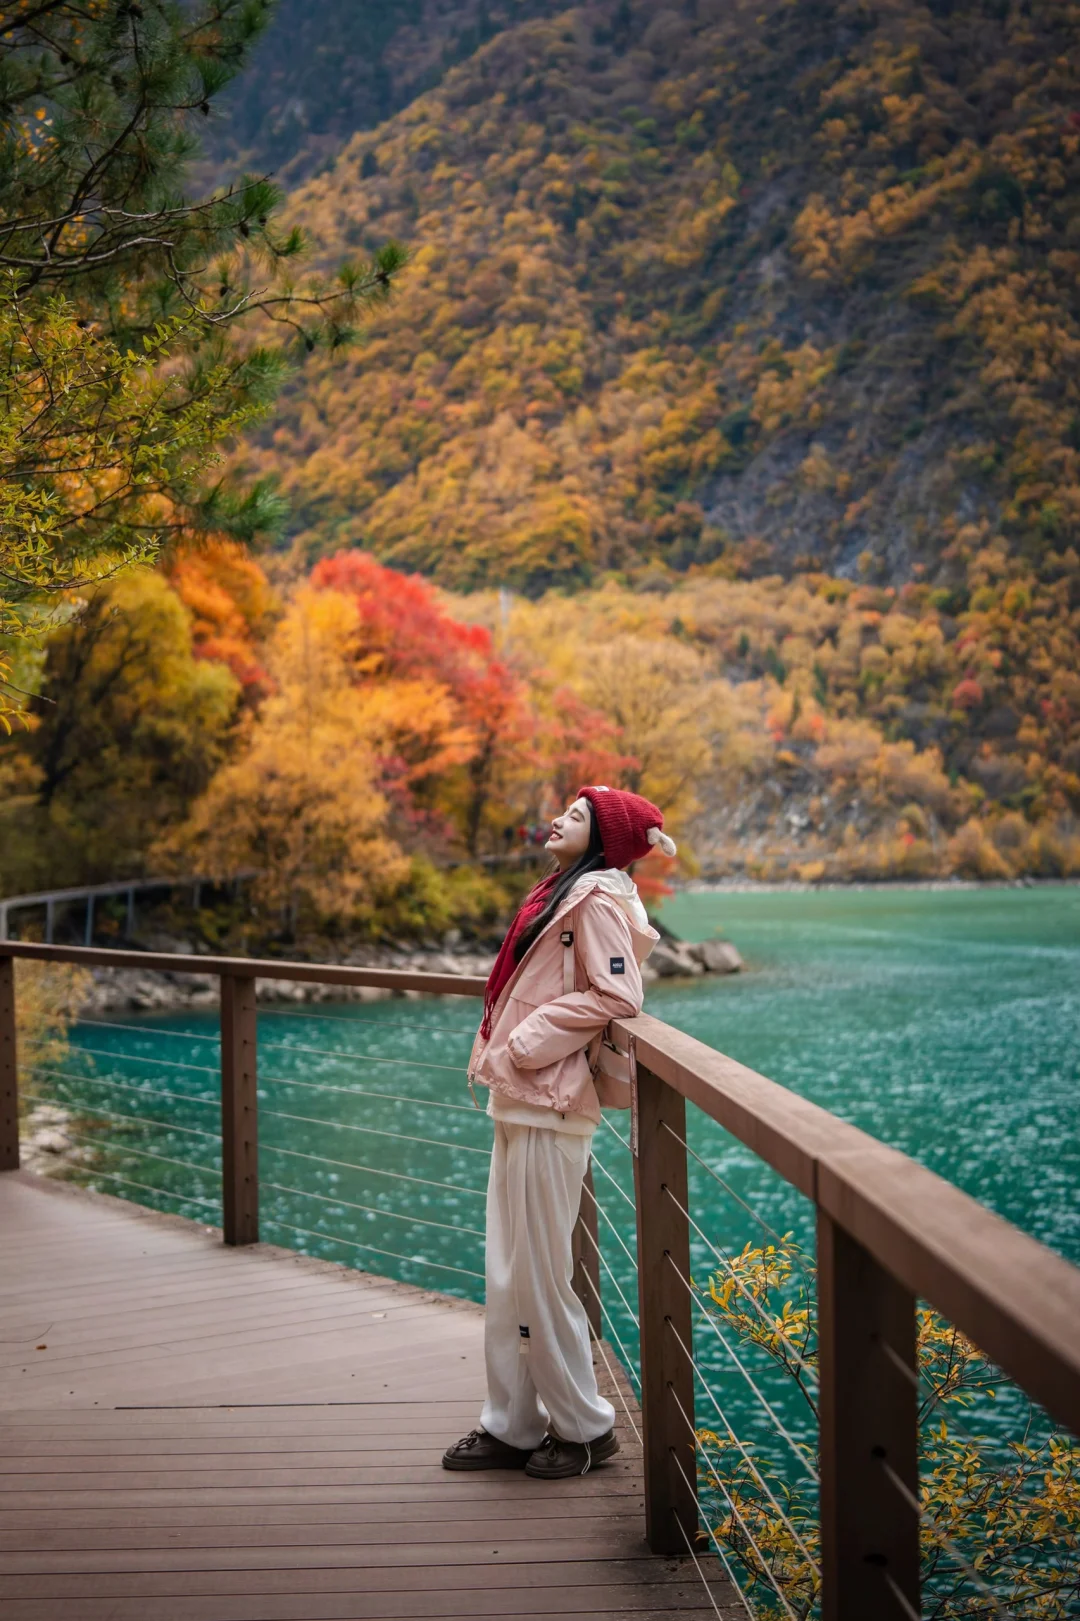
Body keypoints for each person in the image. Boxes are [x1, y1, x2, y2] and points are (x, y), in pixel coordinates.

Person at [442, 785, 674, 1480]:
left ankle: (584, 1428)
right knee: (510, 1270)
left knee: (541, 1273)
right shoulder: (561, 890)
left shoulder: (597, 897)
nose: (557, 820)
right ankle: (511, 1423)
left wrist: (526, 1040)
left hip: (550, 1095)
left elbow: (618, 995)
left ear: (603, 836)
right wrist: (512, 1052)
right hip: (524, 1095)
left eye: (575, 816)